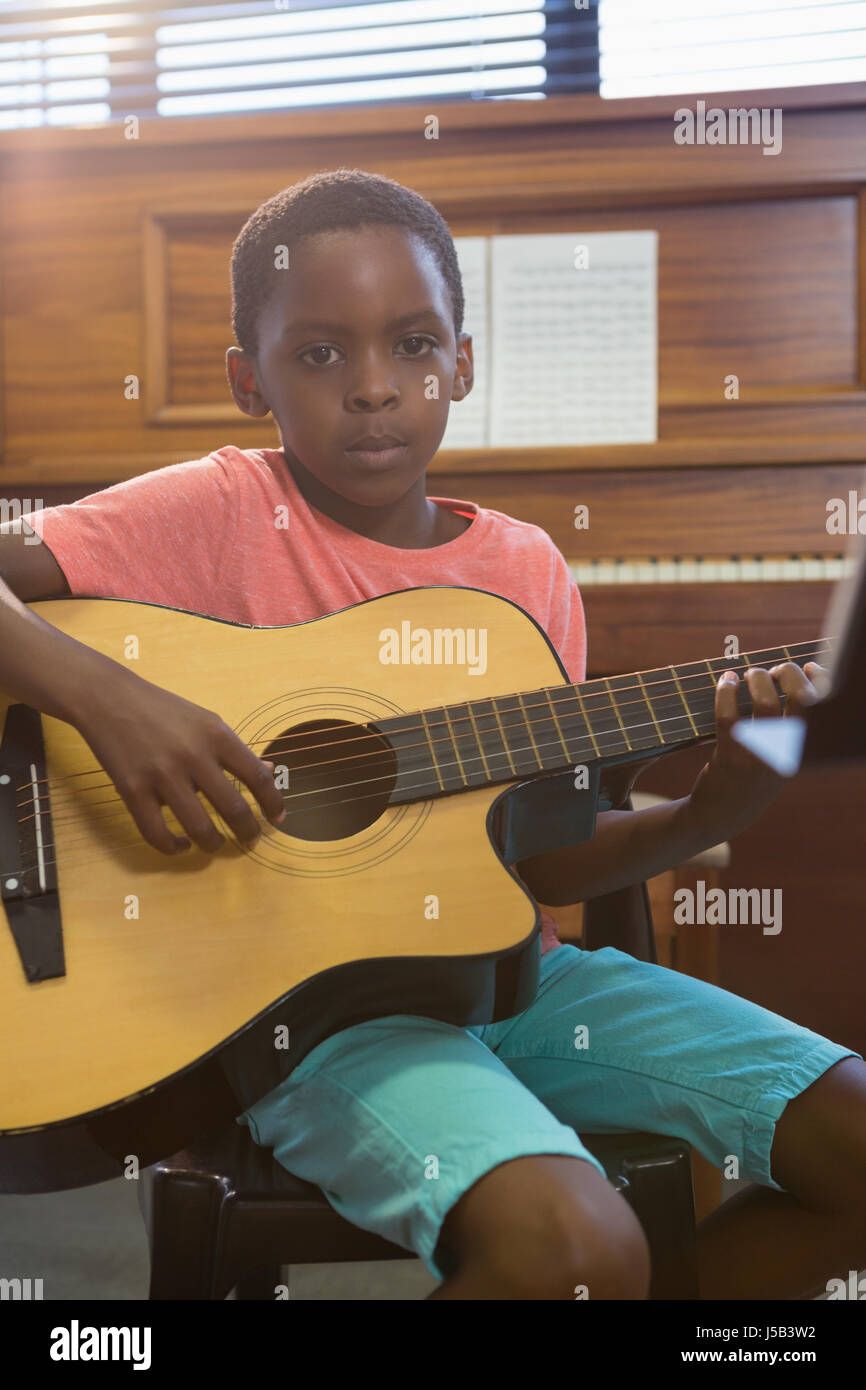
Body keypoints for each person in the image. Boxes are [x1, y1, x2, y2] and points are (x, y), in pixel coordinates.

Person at [1, 169, 863, 1301]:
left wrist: (710, 811)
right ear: (244, 378)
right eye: (318, 354)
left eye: (411, 344)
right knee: (575, 1252)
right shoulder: (209, 512)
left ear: (461, 359)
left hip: (521, 988)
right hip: (300, 1023)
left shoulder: (521, 575)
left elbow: (542, 860)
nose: (372, 389)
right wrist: (111, 703)